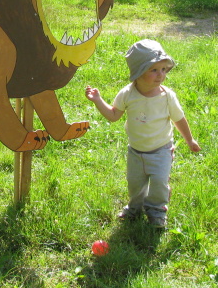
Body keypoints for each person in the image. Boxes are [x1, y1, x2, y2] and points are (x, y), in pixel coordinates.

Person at [85, 39, 201, 228]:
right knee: (135, 183)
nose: (160, 75)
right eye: (153, 70)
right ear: (138, 72)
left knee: (159, 182)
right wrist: (98, 100)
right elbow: (113, 116)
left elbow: (179, 119)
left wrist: (190, 140)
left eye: (163, 69)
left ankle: (157, 211)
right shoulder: (127, 94)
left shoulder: (167, 96)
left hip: (161, 150)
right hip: (136, 151)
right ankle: (134, 208)